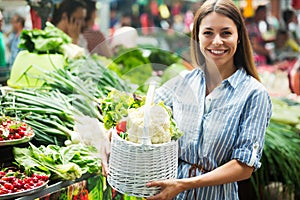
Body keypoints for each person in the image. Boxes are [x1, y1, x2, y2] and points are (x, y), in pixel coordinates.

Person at [101, 0, 273, 199]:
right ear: (197, 37)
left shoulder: (253, 94)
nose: (217, 41)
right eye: (208, 33)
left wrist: (184, 184)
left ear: (239, 37)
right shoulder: (183, 83)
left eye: (226, 33)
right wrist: (111, 134)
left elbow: (244, 166)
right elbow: (144, 110)